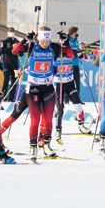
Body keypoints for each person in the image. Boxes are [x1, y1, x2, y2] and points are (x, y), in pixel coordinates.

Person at [13, 26, 73, 160]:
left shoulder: (54, 47)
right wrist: (24, 40)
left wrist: (67, 42)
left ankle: (46, 144)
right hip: (33, 88)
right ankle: (33, 146)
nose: (45, 44)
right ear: (38, 38)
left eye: (47, 41)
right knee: (35, 120)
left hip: (48, 88)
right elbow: (15, 50)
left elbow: (69, 55)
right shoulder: (32, 46)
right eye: (42, 41)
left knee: (48, 118)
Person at [54, 30, 87, 139]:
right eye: (61, 45)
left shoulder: (70, 51)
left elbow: (81, 55)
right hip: (59, 84)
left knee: (78, 105)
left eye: (64, 44)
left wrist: (82, 54)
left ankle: (81, 125)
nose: (63, 47)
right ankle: (58, 129)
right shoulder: (54, 54)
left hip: (70, 83)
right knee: (60, 108)